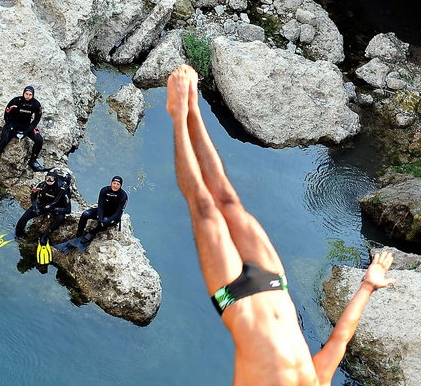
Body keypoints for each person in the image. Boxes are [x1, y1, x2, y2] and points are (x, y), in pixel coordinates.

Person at [165, 64, 396, 385]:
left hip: (235, 298)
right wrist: (368, 285)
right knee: (228, 199)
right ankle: (192, 109)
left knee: (204, 207)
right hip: (274, 283)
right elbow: (339, 340)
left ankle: (176, 114)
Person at [0, 85, 45, 182]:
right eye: (26, 94)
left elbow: (37, 119)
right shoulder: (15, 101)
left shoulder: (36, 104)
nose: (28, 96)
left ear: (33, 95)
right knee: (3, 140)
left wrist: (27, 131)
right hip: (12, 124)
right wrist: (12, 128)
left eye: (30, 94)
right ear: (23, 93)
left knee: (39, 140)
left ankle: (33, 161)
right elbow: (6, 115)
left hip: (26, 125)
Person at [58, 176, 129, 252]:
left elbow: (118, 213)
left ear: (120, 186)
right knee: (85, 214)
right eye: (114, 183)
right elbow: (100, 206)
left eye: (118, 184)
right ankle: (79, 235)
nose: (115, 185)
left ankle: (93, 232)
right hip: (103, 212)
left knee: (104, 222)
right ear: (111, 183)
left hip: (112, 216)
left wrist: (105, 222)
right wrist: (100, 218)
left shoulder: (123, 196)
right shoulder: (104, 190)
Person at [14, 169, 72, 246]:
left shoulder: (62, 191)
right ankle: (18, 234)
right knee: (24, 218)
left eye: (51, 179)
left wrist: (55, 209)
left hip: (56, 207)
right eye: (47, 178)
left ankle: (45, 235)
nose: (48, 180)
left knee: (60, 218)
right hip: (43, 205)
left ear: (56, 180)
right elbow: (33, 195)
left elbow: (68, 210)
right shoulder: (42, 185)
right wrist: (35, 207)